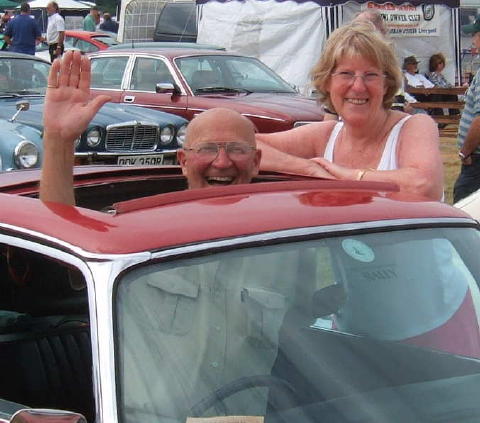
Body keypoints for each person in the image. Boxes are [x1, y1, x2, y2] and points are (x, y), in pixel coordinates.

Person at [40, 50, 262, 204]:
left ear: (255, 162)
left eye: (236, 149)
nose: (222, 162)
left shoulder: (279, 226)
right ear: (183, 161)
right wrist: (59, 141)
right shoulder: (151, 223)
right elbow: (61, 228)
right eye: (207, 149)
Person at [256, 21, 443, 201]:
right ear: (327, 82)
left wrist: (348, 176)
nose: (358, 87)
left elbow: (423, 186)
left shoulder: (413, 127)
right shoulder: (323, 136)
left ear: (386, 84)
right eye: (346, 74)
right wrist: (306, 168)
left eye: (370, 75)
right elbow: (245, 147)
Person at [453, 18, 480, 202]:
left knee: (463, 207)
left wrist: (465, 151)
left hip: (476, 160)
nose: (472, 40)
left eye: (475, 35)